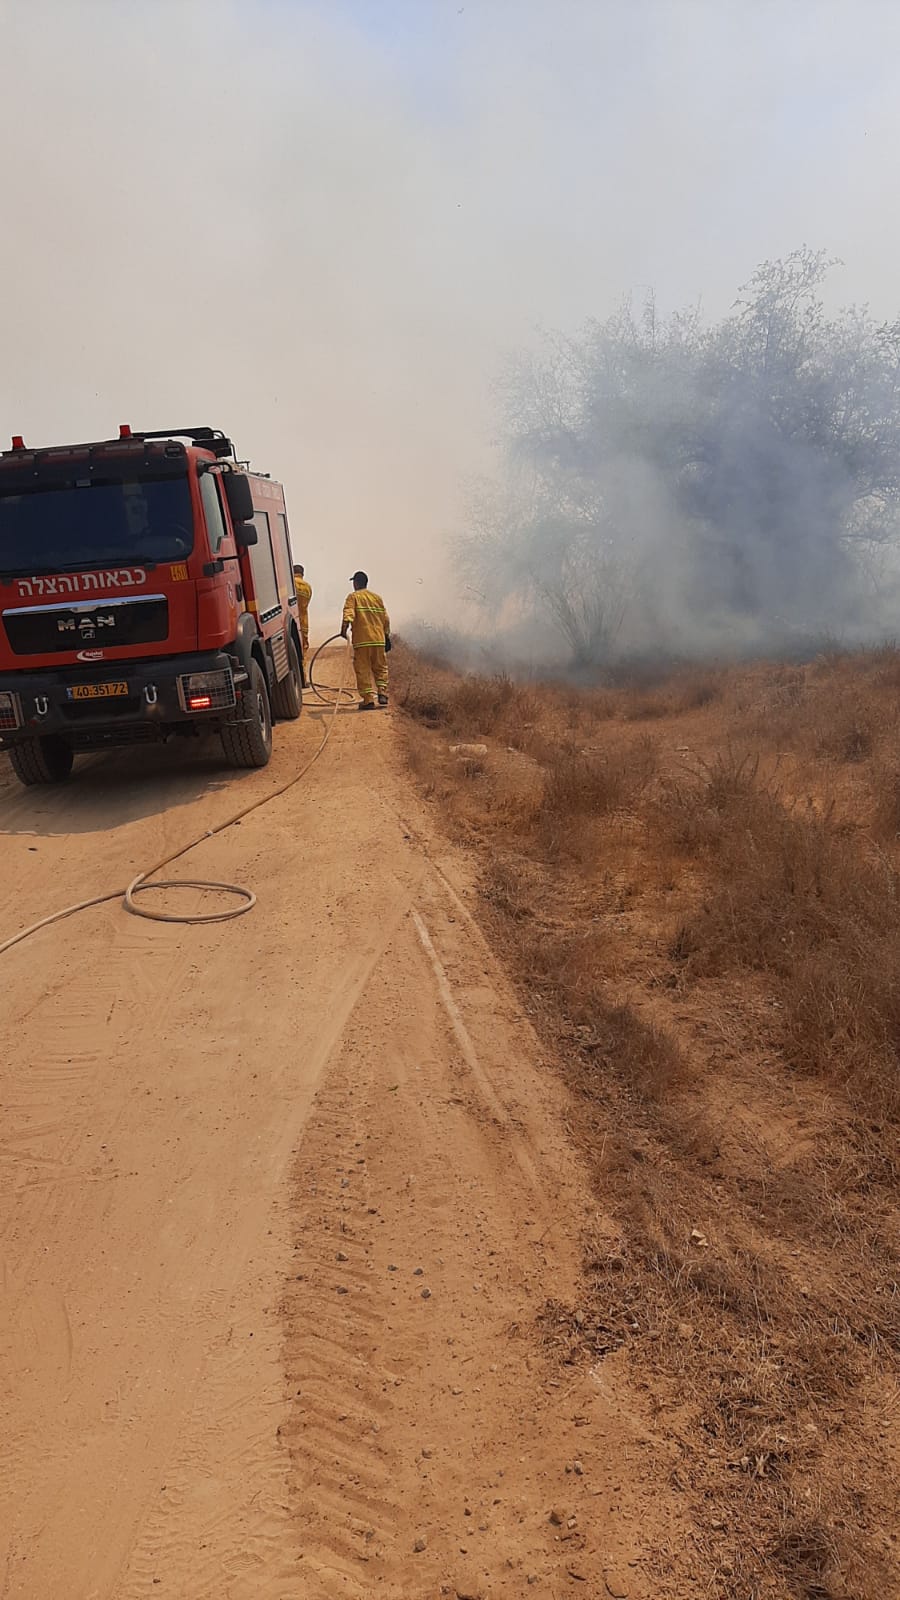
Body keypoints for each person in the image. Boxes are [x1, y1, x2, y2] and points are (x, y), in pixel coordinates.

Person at [341, 570, 391, 710]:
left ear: (356, 583)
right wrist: (386, 635)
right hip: (378, 640)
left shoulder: (353, 597)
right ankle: (382, 693)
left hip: (363, 641)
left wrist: (343, 630)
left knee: (363, 669)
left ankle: (368, 700)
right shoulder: (377, 598)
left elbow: (348, 614)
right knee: (380, 668)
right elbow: (385, 619)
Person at [293, 564, 312, 653]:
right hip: (303, 625)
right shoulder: (308, 587)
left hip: (293, 624)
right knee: (303, 652)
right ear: (302, 574)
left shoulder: (291, 584)